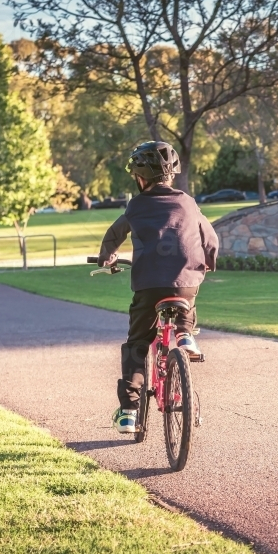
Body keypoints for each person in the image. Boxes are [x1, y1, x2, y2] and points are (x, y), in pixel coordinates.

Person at [98, 142, 218, 434]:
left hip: (149, 284)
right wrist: (209, 262)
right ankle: (185, 335)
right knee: (186, 298)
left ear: (141, 177)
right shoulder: (188, 203)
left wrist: (107, 257)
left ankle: (128, 411)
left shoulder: (136, 206)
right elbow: (210, 238)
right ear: (171, 175)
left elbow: (115, 234)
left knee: (138, 343)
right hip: (186, 280)